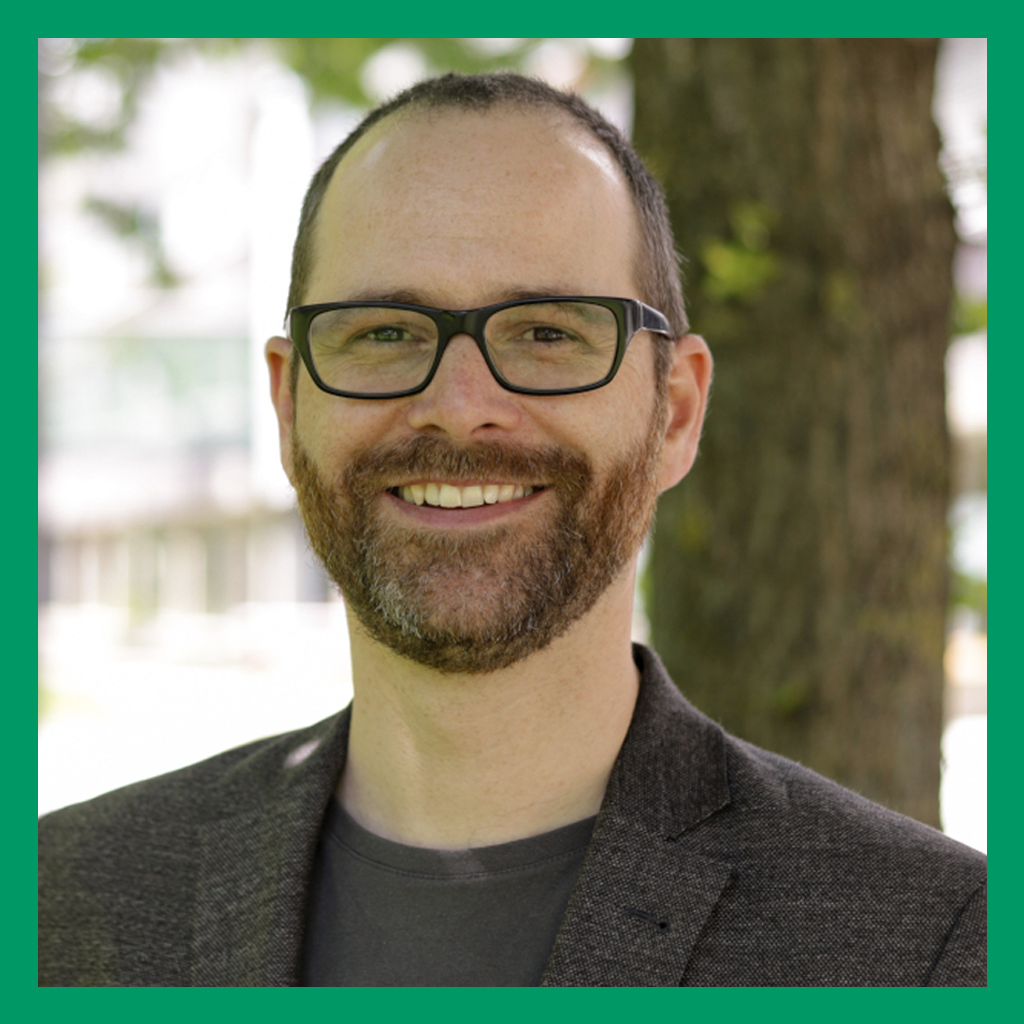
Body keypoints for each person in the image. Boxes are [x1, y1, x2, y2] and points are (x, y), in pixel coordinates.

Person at [38, 71, 986, 987]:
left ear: (679, 414)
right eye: (382, 332)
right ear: (289, 408)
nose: (460, 407)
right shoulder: (54, 904)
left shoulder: (937, 945)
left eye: (546, 332)